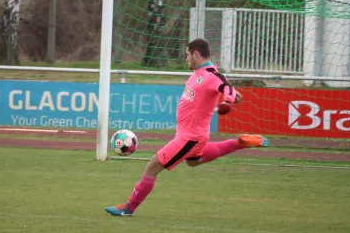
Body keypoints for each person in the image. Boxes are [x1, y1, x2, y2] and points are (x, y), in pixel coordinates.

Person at [105, 38, 269, 217]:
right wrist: (232, 94)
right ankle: (239, 143)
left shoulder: (211, 75)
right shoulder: (200, 73)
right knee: (193, 162)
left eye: (187, 55)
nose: (186, 59)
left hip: (189, 138)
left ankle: (128, 208)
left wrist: (229, 100)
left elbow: (226, 87)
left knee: (152, 167)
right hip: (193, 136)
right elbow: (227, 88)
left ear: (196, 55)